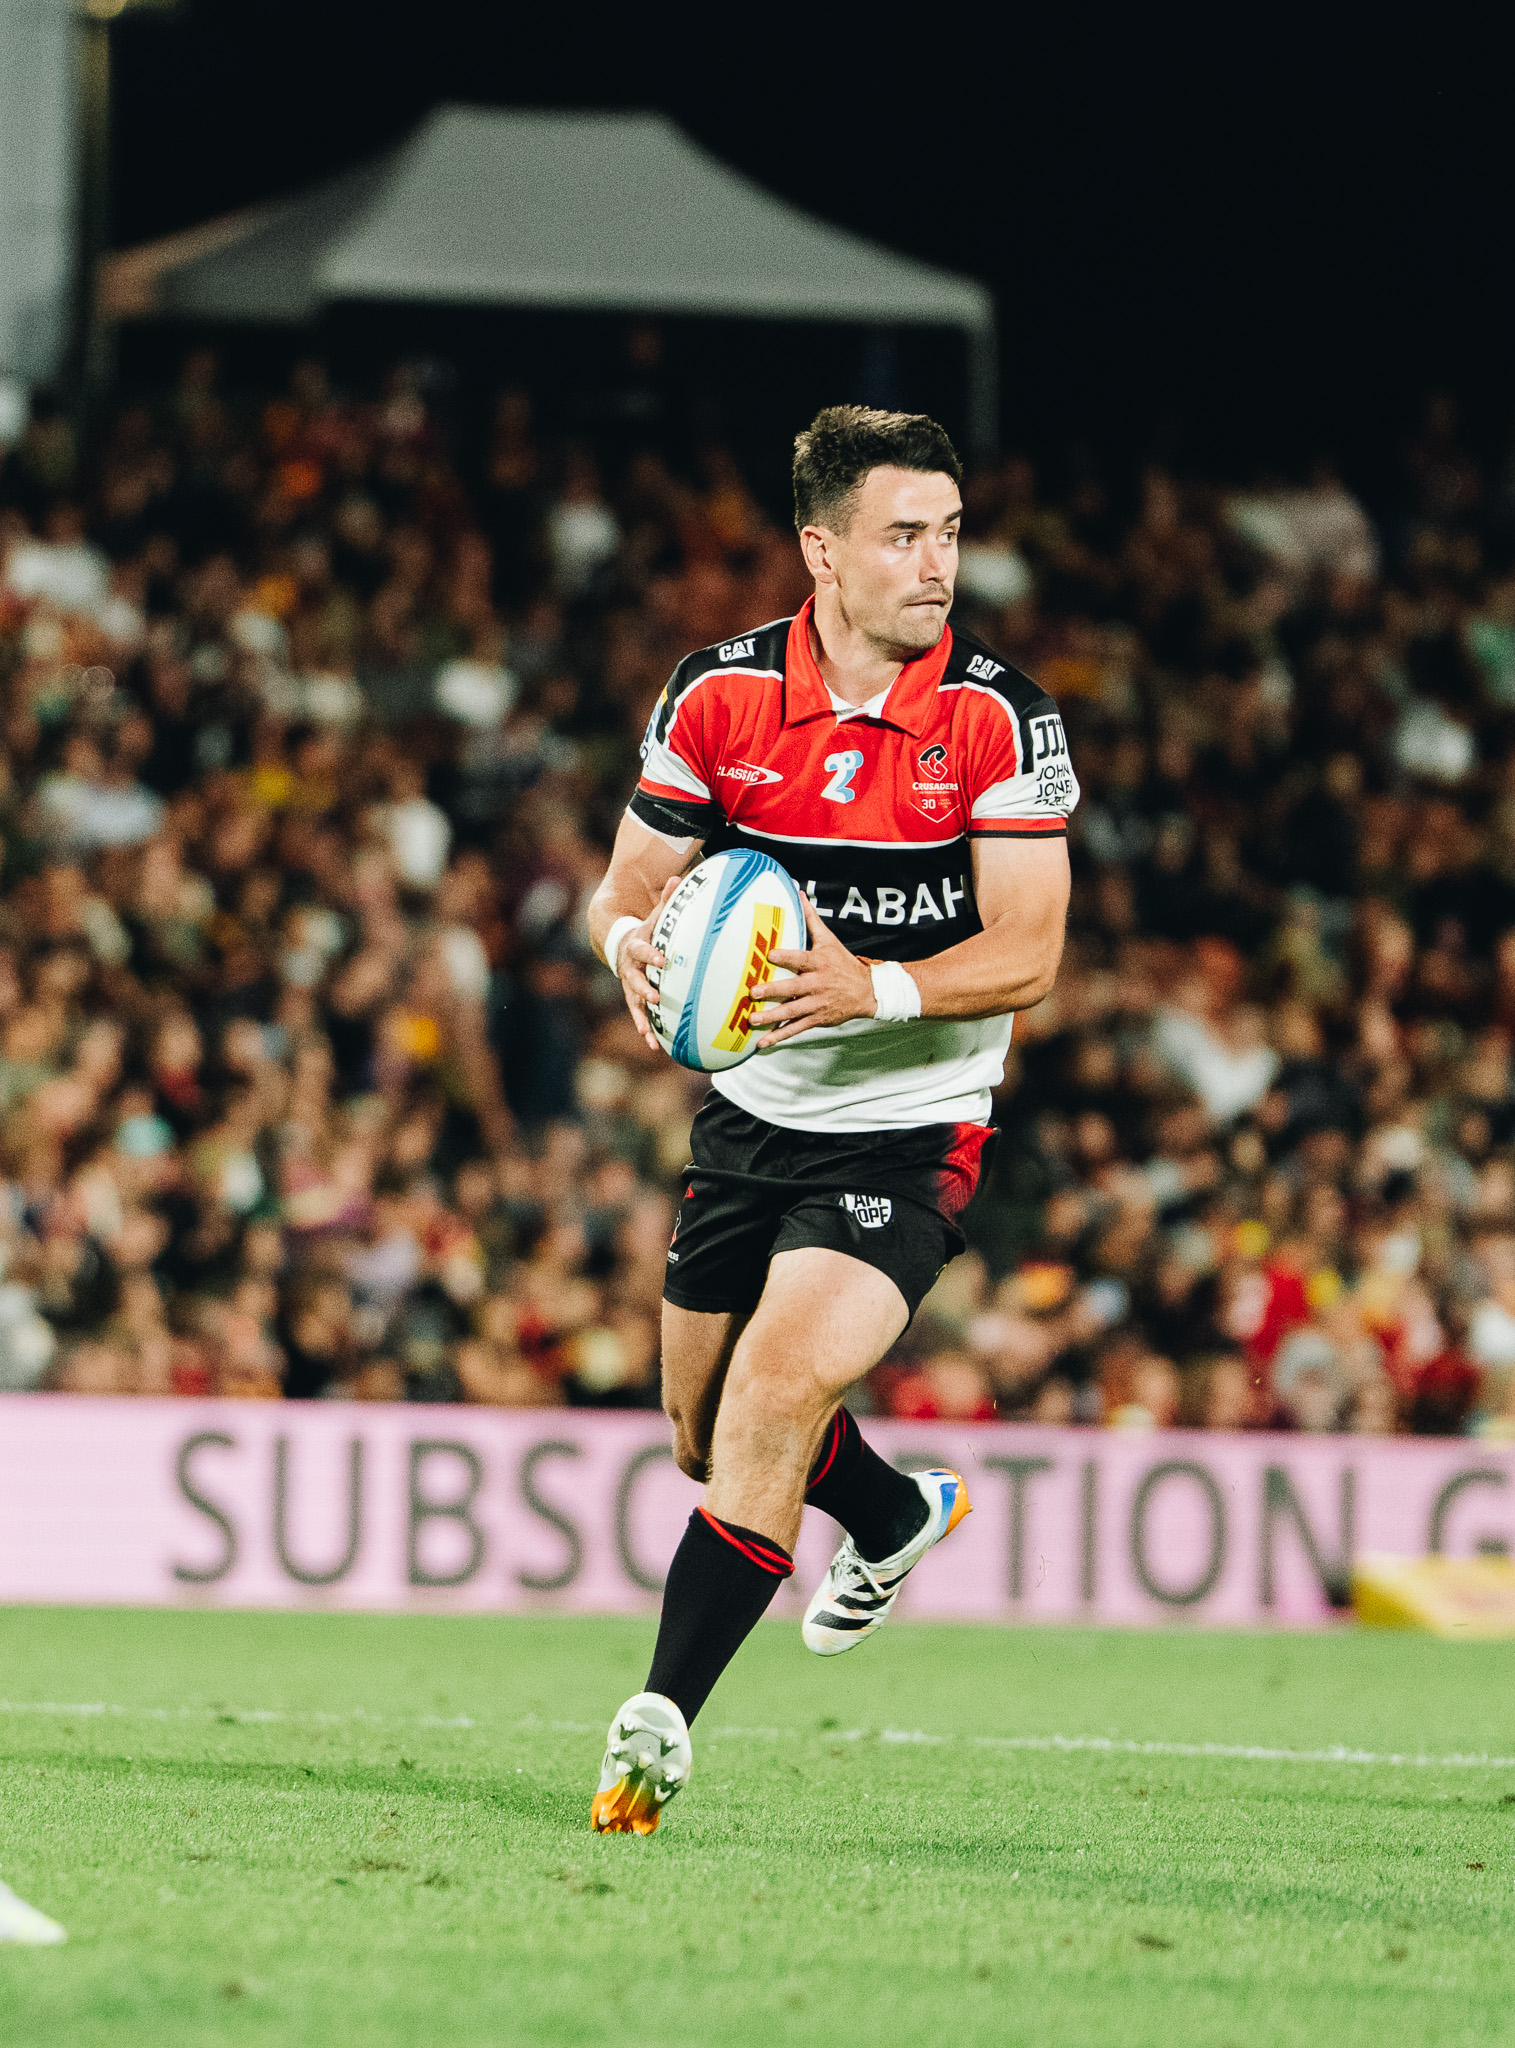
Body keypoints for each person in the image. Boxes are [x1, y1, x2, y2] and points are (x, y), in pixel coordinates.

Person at [584, 406, 1079, 1832]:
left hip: (912, 1124)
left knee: (774, 1389)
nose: (938, 563)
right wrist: (631, 955)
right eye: (904, 535)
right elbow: (624, 890)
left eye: (951, 533)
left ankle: (657, 1724)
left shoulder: (998, 716)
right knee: (701, 1434)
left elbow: (1031, 950)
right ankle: (890, 1512)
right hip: (753, 1113)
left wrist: (873, 987)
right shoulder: (718, 696)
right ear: (822, 550)